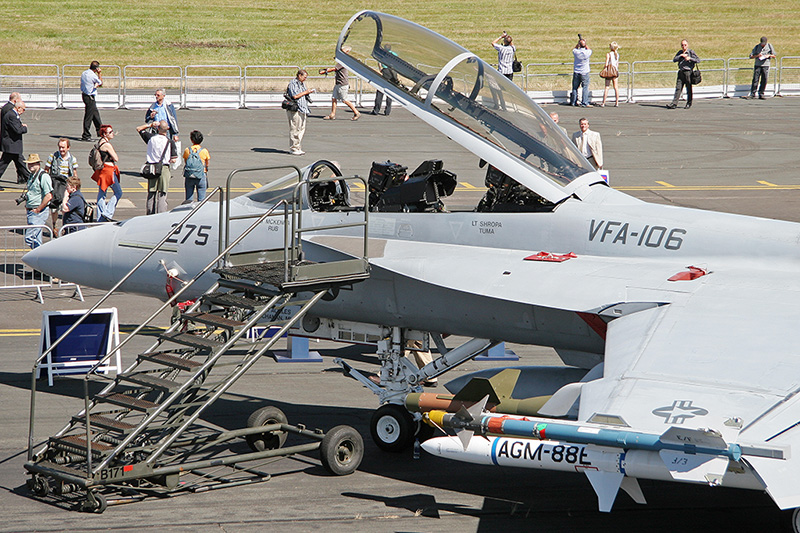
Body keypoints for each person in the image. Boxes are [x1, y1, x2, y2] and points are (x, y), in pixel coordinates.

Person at [137, 120, 177, 214]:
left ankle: (150, 213)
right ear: (167, 129)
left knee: (151, 193)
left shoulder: (151, 138)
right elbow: (174, 159)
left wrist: (150, 124)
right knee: (162, 193)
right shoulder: (169, 141)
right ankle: (161, 213)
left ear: (158, 128)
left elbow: (139, 129)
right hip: (164, 167)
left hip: (152, 167)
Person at [44, 138, 79, 234]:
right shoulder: (53, 157)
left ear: (68, 148)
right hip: (55, 184)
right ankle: (55, 226)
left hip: (66, 185)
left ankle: (64, 226)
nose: (61, 149)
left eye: (63, 147)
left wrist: (75, 186)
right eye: (60, 147)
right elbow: (46, 170)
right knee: (54, 207)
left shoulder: (72, 159)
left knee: (65, 207)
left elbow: (74, 173)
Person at [91, 125, 122, 222]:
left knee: (102, 193)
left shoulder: (100, 142)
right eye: (110, 132)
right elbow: (116, 158)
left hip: (102, 170)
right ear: (104, 134)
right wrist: (113, 157)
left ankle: (100, 217)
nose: (112, 133)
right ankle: (107, 213)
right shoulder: (107, 145)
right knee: (118, 192)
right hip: (109, 170)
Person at [320, 49, 361, 121]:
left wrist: (325, 71)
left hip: (342, 84)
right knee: (334, 98)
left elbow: (334, 69)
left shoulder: (342, 62)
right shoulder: (342, 62)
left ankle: (356, 112)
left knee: (344, 100)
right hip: (338, 83)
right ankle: (332, 114)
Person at [23, 154, 53, 249]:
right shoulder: (31, 176)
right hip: (31, 211)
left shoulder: (43, 176)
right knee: (36, 238)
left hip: (38, 212)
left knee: (29, 237)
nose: (30, 166)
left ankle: (41, 254)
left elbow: (48, 195)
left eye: (33, 164)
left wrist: (38, 209)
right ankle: (39, 259)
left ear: (38, 164)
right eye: (29, 164)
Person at [285, 69, 315, 156]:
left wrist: (308, 92)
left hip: (303, 108)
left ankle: (298, 146)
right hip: (295, 109)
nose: (305, 79)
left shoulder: (302, 84)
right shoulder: (293, 84)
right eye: (304, 77)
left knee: (301, 128)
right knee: (295, 128)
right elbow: (295, 95)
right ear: (299, 76)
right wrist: (306, 92)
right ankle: (293, 148)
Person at [0, 100, 29, 184]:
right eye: (23, 109)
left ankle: (29, 179)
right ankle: (31, 180)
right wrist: (24, 128)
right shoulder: (12, 116)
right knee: (3, 165)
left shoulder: (12, 115)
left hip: (12, 146)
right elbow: (18, 130)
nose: (23, 111)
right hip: (11, 146)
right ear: (18, 108)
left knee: (21, 164)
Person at [666, 39, 700, 109]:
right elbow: (674, 59)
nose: (683, 46)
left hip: (688, 72)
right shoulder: (680, 52)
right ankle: (674, 103)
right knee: (678, 88)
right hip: (681, 72)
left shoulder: (690, 52)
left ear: (687, 45)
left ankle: (689, 103)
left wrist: (690, 58)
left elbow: (698, 60)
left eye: (685, 45)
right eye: (682, 45)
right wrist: (680, 56)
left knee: (688, 88)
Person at [182, 130, 210, 202]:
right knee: (201, 200)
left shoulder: (187, 150)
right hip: (201, 175)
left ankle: (188, 211)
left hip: (189, 175)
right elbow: (207, 163)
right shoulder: (204, 151)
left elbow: (186, 161)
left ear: (191, 140)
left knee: (188, 198)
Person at [80, 61, 103, 141]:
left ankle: (100, 131)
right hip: (90, 97)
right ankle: (86, 135)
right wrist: (99, 74)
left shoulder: (84, 73)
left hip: (85, 95)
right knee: (89, 116)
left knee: (95, 114)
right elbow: (100, 83)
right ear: (96, 68)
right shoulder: (93, 75)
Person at [570, 36, 592, 107]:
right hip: (585, 72)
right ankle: (584, 102)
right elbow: (588, 49)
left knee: (575, 88)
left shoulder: (576, 52)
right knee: (585, 87)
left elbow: (574, 48)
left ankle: (573, 101)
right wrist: (584, 43)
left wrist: (578, 43)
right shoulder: (587, 52)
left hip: (576, 71)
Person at [601, 42, 621, 107]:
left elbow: (606, 64)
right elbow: (617, 64)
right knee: (616, 87)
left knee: (607, 87)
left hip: (609, 71)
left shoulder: (608, 54)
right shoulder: (617, 54)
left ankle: (603, 102)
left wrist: (604, 68)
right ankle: (617, 102)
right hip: (615, 71)